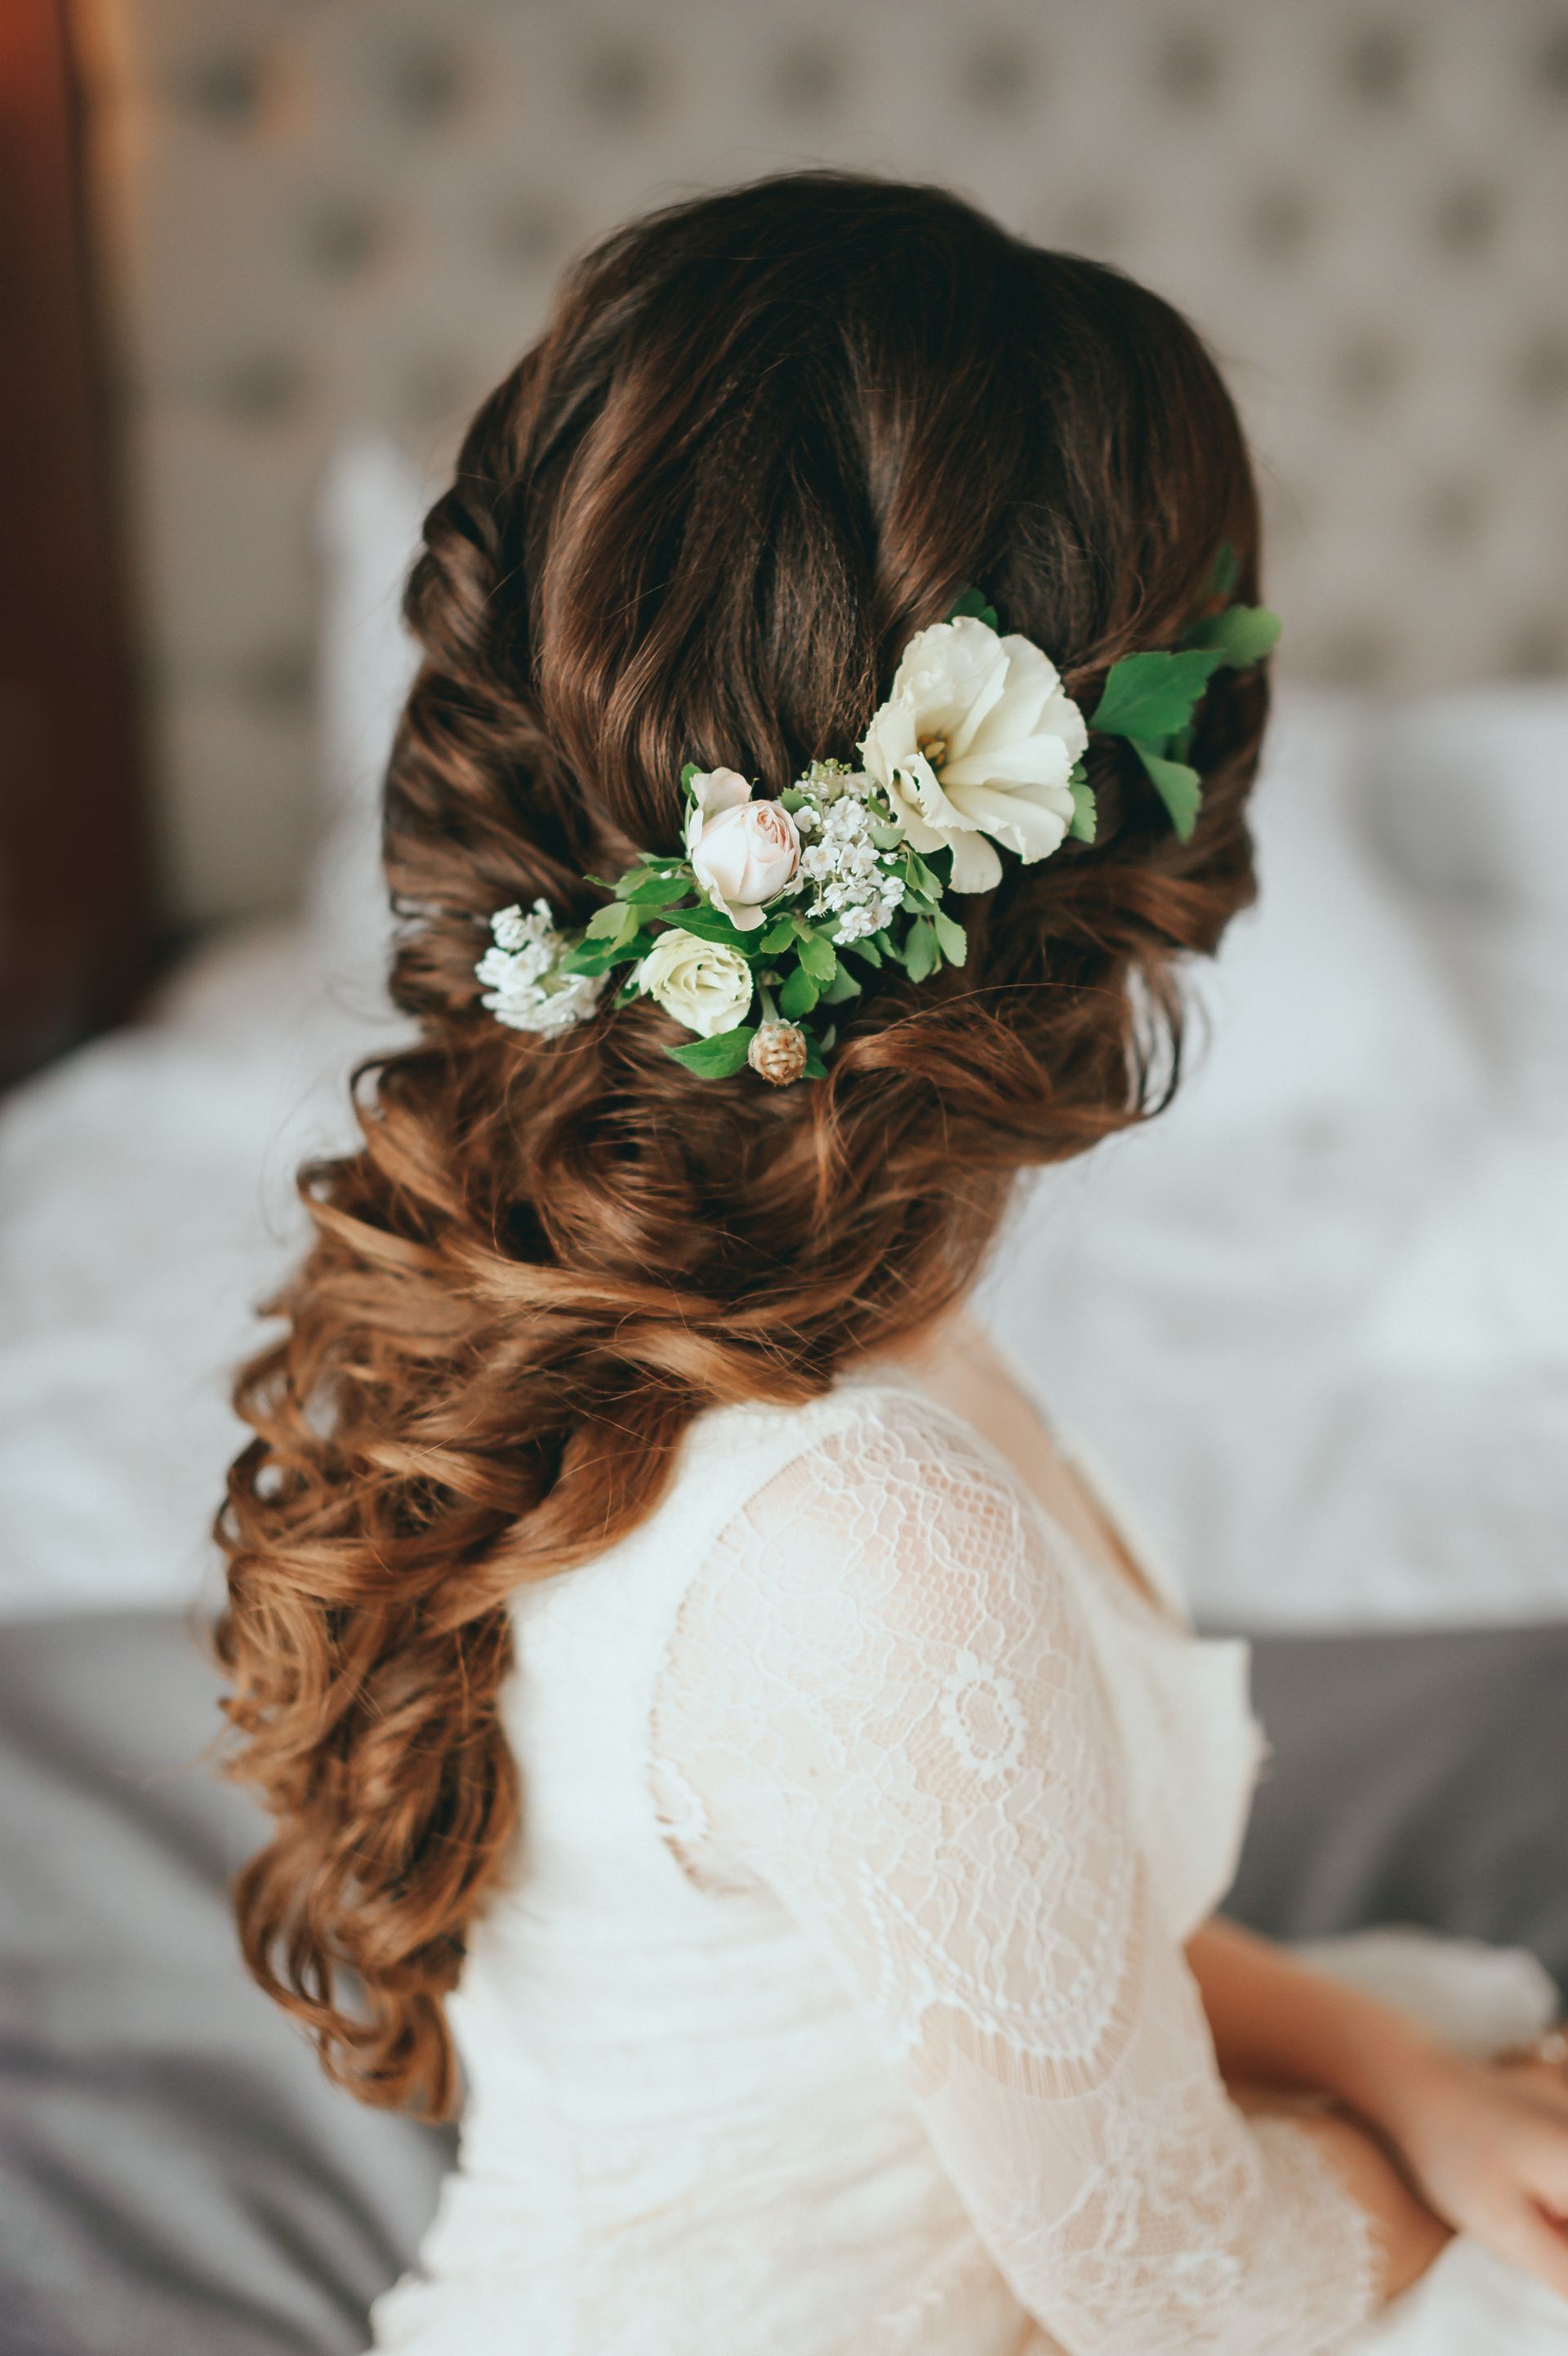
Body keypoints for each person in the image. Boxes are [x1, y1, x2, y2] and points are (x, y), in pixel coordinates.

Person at [216, 173, 1568, 2354]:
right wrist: (1427, 2158)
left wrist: (1396, 2067)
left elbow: (968, 1926)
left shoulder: (734, 1298)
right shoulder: (860, 1526)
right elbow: (1193, 2291)